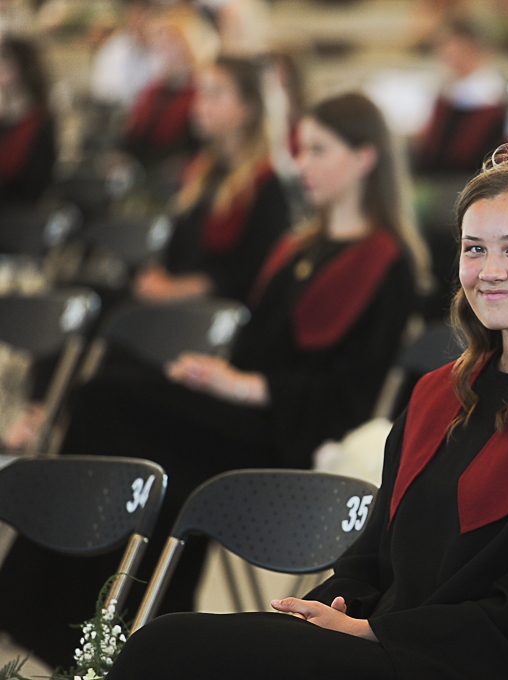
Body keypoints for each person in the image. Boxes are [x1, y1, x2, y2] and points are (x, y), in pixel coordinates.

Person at [105, 148, 508, 680]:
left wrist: (377, 633)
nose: (490, 272)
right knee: (164, 643)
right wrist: (334, 610)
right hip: (379, 647)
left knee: (172, 653)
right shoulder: (437, 394)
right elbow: (370, 558)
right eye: (474, 250)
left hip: (467, 664)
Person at [0, 92, 427, 668]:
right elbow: (254, 350)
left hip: (289, 431)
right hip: (242, 410)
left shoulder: (385, 260)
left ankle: (69, 617)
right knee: (109, 394)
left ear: (365, 158)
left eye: (319, 151)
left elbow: (347, 396)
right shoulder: (302, 247)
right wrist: (211, 374)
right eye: (301, 150)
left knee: (118, 408)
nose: (302, 165)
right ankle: (71, 617)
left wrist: (246, 387)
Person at [131, 55, 289, 304]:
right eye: (200, 93)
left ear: (249, 108)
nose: (199, 105)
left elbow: (255, 274)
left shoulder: (268, 182)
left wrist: (179, 289)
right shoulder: (201, 173)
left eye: (214, 94)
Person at [119, 5, 218, 179]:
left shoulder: (201, 92)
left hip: (178, 178)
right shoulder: (154, 91)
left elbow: (197, 149)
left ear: (188, 44)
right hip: (144, 175)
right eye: (159, 44)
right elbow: (133, 138)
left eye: (170, 43)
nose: (162, 51)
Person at [415, 17, 508, 174]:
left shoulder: (492, 97)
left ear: (474, 48)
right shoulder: (446, 94)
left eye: (455, 46)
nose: (448, 53)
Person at [0, 35, 56, 206]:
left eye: (4, 61)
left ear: (20, 67)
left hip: (17, 214)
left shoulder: (38, 122)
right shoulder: (6, 117)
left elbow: (33, 184)